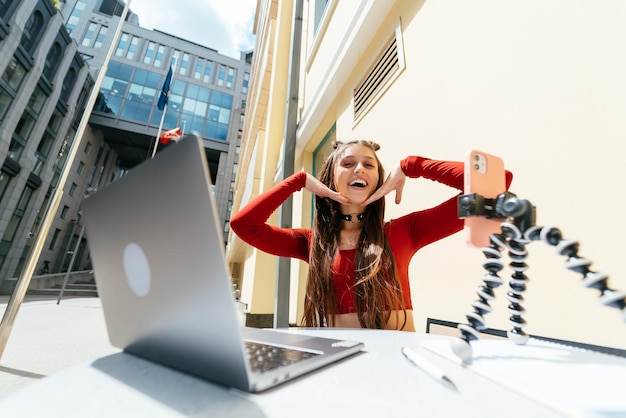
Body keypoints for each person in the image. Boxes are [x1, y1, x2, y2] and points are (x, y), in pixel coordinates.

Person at [229, 140, 512, 331]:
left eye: (369, 164)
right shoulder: (311, 243)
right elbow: (244, 225)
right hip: (340, 368)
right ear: (329, 178)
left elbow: (494, 185)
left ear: (379, 179)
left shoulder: (405, 230)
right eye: (348, 163)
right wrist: (298, 181)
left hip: (397, 368)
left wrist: (411, 166)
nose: (360, 168)